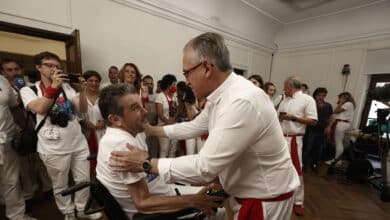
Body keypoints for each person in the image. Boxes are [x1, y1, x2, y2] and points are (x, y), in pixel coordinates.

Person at [109, 32, 300, 220]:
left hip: (265, 197)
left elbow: (204, 167)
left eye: (186, 72)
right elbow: (194, 126)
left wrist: (147, 163)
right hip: (251, 191)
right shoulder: (222, 94)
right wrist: (152, 130)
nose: (185, 80)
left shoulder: (241, 101)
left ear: (207, 67)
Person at [96, 84, 223, 219]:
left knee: (217, 197)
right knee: (219, 208)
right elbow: (143, 203)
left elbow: (190, 127)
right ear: (115, 119)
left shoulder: (127, 132)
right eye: (135, 108)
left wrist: (150, 129)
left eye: (141, 105)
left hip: (162, 191)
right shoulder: (121, 145)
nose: (145, 112)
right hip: (153, 211)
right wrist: (193, 200)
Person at [20, 52, 102, 220]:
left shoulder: (67, 88)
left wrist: (82, 91)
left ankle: (81, 209)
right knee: (60, 184)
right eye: (49, 65)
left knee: (83, 179)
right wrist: (54, 86)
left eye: (57, 66)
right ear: (38, 67)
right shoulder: (29, 89)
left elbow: (83, 110)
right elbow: (40, 108)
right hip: (53, 147)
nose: (54, 69)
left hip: (78, 142)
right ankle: (68, 213)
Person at [277, 76, 317, 216]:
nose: (284, 89)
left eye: (285, 87)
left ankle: (298, 201)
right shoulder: (285, 100)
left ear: (291, 86)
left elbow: (313, 121)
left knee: (296, 170)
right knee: (278, 168)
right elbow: (280, 117)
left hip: (294, 140)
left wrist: (293, 118)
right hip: (280, 139)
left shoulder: (307, 99)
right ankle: (281, 194)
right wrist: (280, 117)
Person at [0, 74, 36, 220]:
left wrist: (27, 130)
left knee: (11, 179)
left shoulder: (2, 80)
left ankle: (16, 216)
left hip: (7, 138)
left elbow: (14, 109)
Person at [302, 87, 333, 174]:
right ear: (315, 95)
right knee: (307, 149)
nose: (321, 97)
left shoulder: (328, 106)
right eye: (319, 95)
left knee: (318, 150)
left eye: (323, 95)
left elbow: (330, 117)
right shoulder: (310, 104)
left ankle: (314, 166)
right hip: (310, 130)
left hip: (322, 131)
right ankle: (304, 166)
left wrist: (329, 126)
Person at [324, 92, 355, 165]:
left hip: (341, 124)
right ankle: (337, 160)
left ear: (344, 97)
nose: (339, 99)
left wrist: (340, 103)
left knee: (338, 143)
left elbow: (336, 111)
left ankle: (337, 161)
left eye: (340, 98)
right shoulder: (349, 104)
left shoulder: (348, 104)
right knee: (339, 142)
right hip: (342, 123)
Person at [155, 74, 178, 158]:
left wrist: (174, 120)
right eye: (174, 84)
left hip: (174, 127)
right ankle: (162, 170)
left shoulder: (175, 97)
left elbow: (177, 110)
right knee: (164, 150)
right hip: (163, 127)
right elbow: (160, 114)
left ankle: (171, 170)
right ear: (168, 85)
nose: (175, 86)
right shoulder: (160, 96)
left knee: (173, 150)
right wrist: (168, 122)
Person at [142, 75, 160, 158]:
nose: (149, 86)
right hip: (144, 128)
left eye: (151, 83)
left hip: (155, 127)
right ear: (143, 84)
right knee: (145, 150)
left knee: (155, 151)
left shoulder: (158, 96)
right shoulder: (140, 96)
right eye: (147, 84)